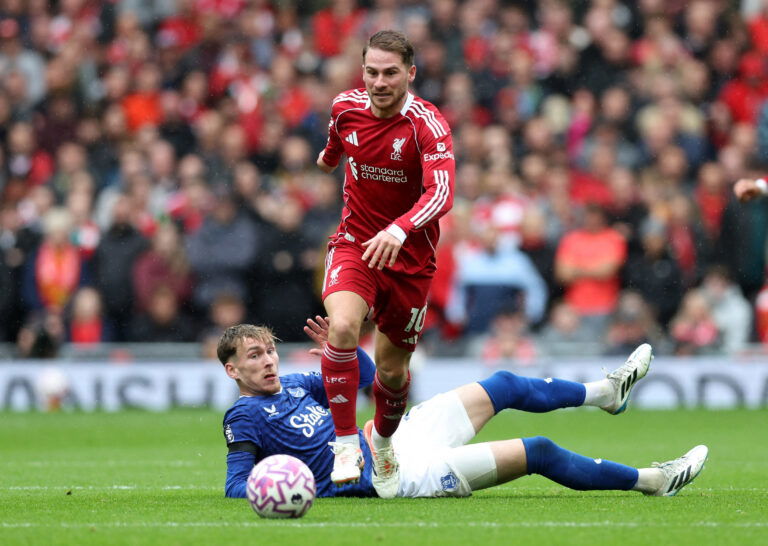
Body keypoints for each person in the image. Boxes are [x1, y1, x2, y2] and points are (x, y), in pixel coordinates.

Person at [220, 319, 708, 501]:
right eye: (253, 357)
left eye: (268, 351)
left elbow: (372, 382)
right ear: (232, 371)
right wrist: (292, 484)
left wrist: (341, 351)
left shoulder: (300, 386)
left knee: (504, 383)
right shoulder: (243, 417)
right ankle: (654, 480)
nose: (267, 362)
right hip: (400, 476)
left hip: (395, 437)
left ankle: (606, 393)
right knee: (536, 451)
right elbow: (236, 484)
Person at [315, 30, 455, 494]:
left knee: (392, 372)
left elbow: (442, 192)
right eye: (372, 71)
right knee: (341, 329)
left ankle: (384, 440)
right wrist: (327, 158)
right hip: (355, 242)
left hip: (409, 258)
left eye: (390, 72)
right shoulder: (345, 107)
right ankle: (344, 443)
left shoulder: (426, 124)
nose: (379, 81)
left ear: (410, 74)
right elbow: (337, 144)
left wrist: (400, 228)